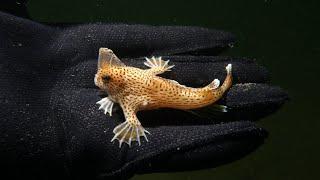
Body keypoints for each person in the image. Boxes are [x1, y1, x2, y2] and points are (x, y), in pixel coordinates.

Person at [0, 5, 288, 180]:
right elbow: (150, 73)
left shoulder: (128, 94)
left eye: (108, 78)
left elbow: (133, 117)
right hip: (163, 84)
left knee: (196, 98)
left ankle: (219, 87)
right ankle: (218, 86)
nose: (99, 79)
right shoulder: (129, 79)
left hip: (182, 93)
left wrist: (129, 123)